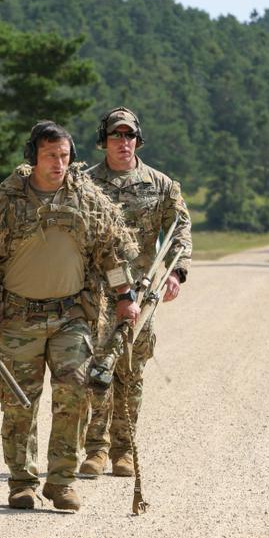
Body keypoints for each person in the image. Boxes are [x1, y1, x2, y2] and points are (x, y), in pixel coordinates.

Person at [0, 121, 139, 511]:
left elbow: (111, 250)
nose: (59, 164)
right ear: (33, 157)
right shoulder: (5, 201)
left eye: (65, 156)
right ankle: (22, 481)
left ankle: (62, 481)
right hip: (20, 317)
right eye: (50, 156)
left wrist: (125, 295)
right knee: (19, 402)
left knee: (73, 395)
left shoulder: (86, 198)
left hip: (73, 315)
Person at [79, 107, 193, 478]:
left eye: (128, 135)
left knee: (131, 370)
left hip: (141, 294)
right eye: (116, 135)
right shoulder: (84, 183)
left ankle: (124, 451)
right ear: (104, 141)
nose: (123, 142)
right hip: (94, 293)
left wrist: (175, 272)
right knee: (96, 371)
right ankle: (95, 450)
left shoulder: (161, 185)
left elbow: (180, 231)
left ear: (137, 140)